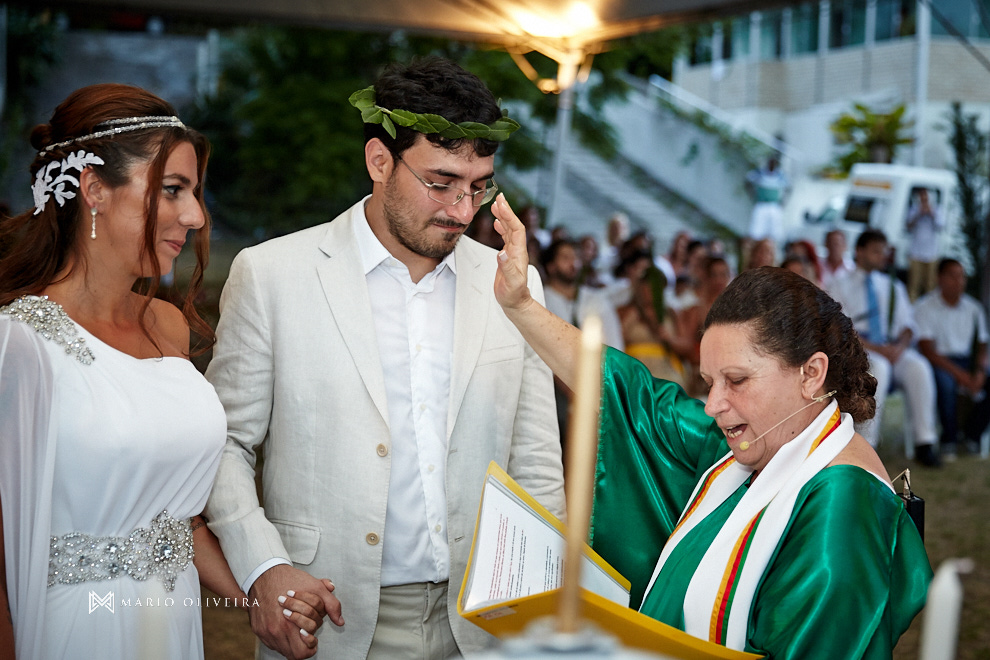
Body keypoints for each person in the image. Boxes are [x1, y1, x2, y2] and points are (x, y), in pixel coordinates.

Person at [204, 57, 565, 660]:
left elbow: (536, 464)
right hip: (329, 615)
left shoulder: (510, 283)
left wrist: (542, 597)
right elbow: (224, 444)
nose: (460, 208)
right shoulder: (273, 275)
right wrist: (263, 566)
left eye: (479, 186)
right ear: (379, 161)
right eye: (440, 181)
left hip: (485, 622)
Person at [489, 195, 931, 658]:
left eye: (736, 380)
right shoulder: (764, 444)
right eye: (708, 382)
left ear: (811, 374)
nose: (714, 404)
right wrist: (521, 305)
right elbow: (632, 395)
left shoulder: (842, 510)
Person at [0, 83, 322, 659]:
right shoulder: (19, 345)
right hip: (74, 630)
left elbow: (178, 522)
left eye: (195, 192)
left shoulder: (168, 327)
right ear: (94, 189)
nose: (195, 216)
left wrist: (259, 596)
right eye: (173, 190)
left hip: (167, 624)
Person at [827, 230, 941, 466]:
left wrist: (898, 347)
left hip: (891, 348)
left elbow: (909, 325)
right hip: (859, 350)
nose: (882, 256)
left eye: (884, 251)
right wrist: (877, 349)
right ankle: (867, 444)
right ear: (859, 252)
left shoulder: (892, 286)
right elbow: (841, 329)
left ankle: (925, 441)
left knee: (918, 367)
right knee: (879, 367)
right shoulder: (838, 284)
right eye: (876, 251)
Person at [914, 258, 990, 458]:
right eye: (952, 275)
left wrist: (980, 370)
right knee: (946, 384)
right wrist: (960, 374)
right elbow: (927, 350)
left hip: (969, 360)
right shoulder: (925, 306)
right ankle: (949, 438)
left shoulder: (974, 308)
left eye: (961, 276)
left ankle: (972, 435)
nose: (959, 281)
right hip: (939, 361)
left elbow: (982, 344)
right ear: (940, 278)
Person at [905, 188, 945, 301]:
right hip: (916, 253)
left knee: (930, 285)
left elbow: (941, 226)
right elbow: (908, 226)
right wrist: (919, 214)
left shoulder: (937, 210)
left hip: (931, 254)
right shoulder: (914, 210)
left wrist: (931, 213)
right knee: (914, 284)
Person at [745, 156, 788, 245]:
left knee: (776, 232)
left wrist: (783, 201)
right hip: (762, 204)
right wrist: (753, 195)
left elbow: (789, 187)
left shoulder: (780, 175)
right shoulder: (760, 173)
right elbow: (747, 181)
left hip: (774, 206)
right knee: (756, 230)